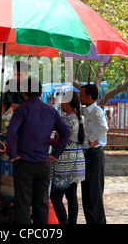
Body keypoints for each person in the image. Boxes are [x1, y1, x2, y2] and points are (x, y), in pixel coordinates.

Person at [6, 77, 71, 224]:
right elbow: (66, 131)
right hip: (43, 163)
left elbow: (11, 133)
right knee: (41, 204)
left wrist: (14, 154)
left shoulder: (21, 110)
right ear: (41, 92)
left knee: (23, 204)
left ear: (23, 92)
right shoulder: (51, 111)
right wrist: (55, 154)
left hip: (23, 163)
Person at [50, 90, 86, 224]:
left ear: (68, 103)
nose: (60, 103)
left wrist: (44, 140)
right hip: (76, 161)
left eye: (63, 100)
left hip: (65, 164)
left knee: (55, 197)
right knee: (71, 196)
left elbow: (58, 141)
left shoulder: (66, 120)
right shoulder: (78, 118)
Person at [79, 84, 109, 224]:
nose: (79, 98)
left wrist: (92, 139)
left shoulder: (97, 111)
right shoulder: (86, 111)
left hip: (94, 155)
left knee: (94, 193)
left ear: (89, 97)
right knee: (86, 192)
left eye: (82, 95)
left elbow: (104, 127)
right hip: (86, 154)